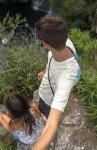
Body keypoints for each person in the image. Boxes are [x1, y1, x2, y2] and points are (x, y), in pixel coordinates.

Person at [33, 14, 81, 150]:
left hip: (49, 100)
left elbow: (52, 125)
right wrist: (45, 71)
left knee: (47, 116)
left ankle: (42, 117)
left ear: (44, 43)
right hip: (48, 88)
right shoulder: (65, 43)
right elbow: (53, 59)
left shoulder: (66, 77)